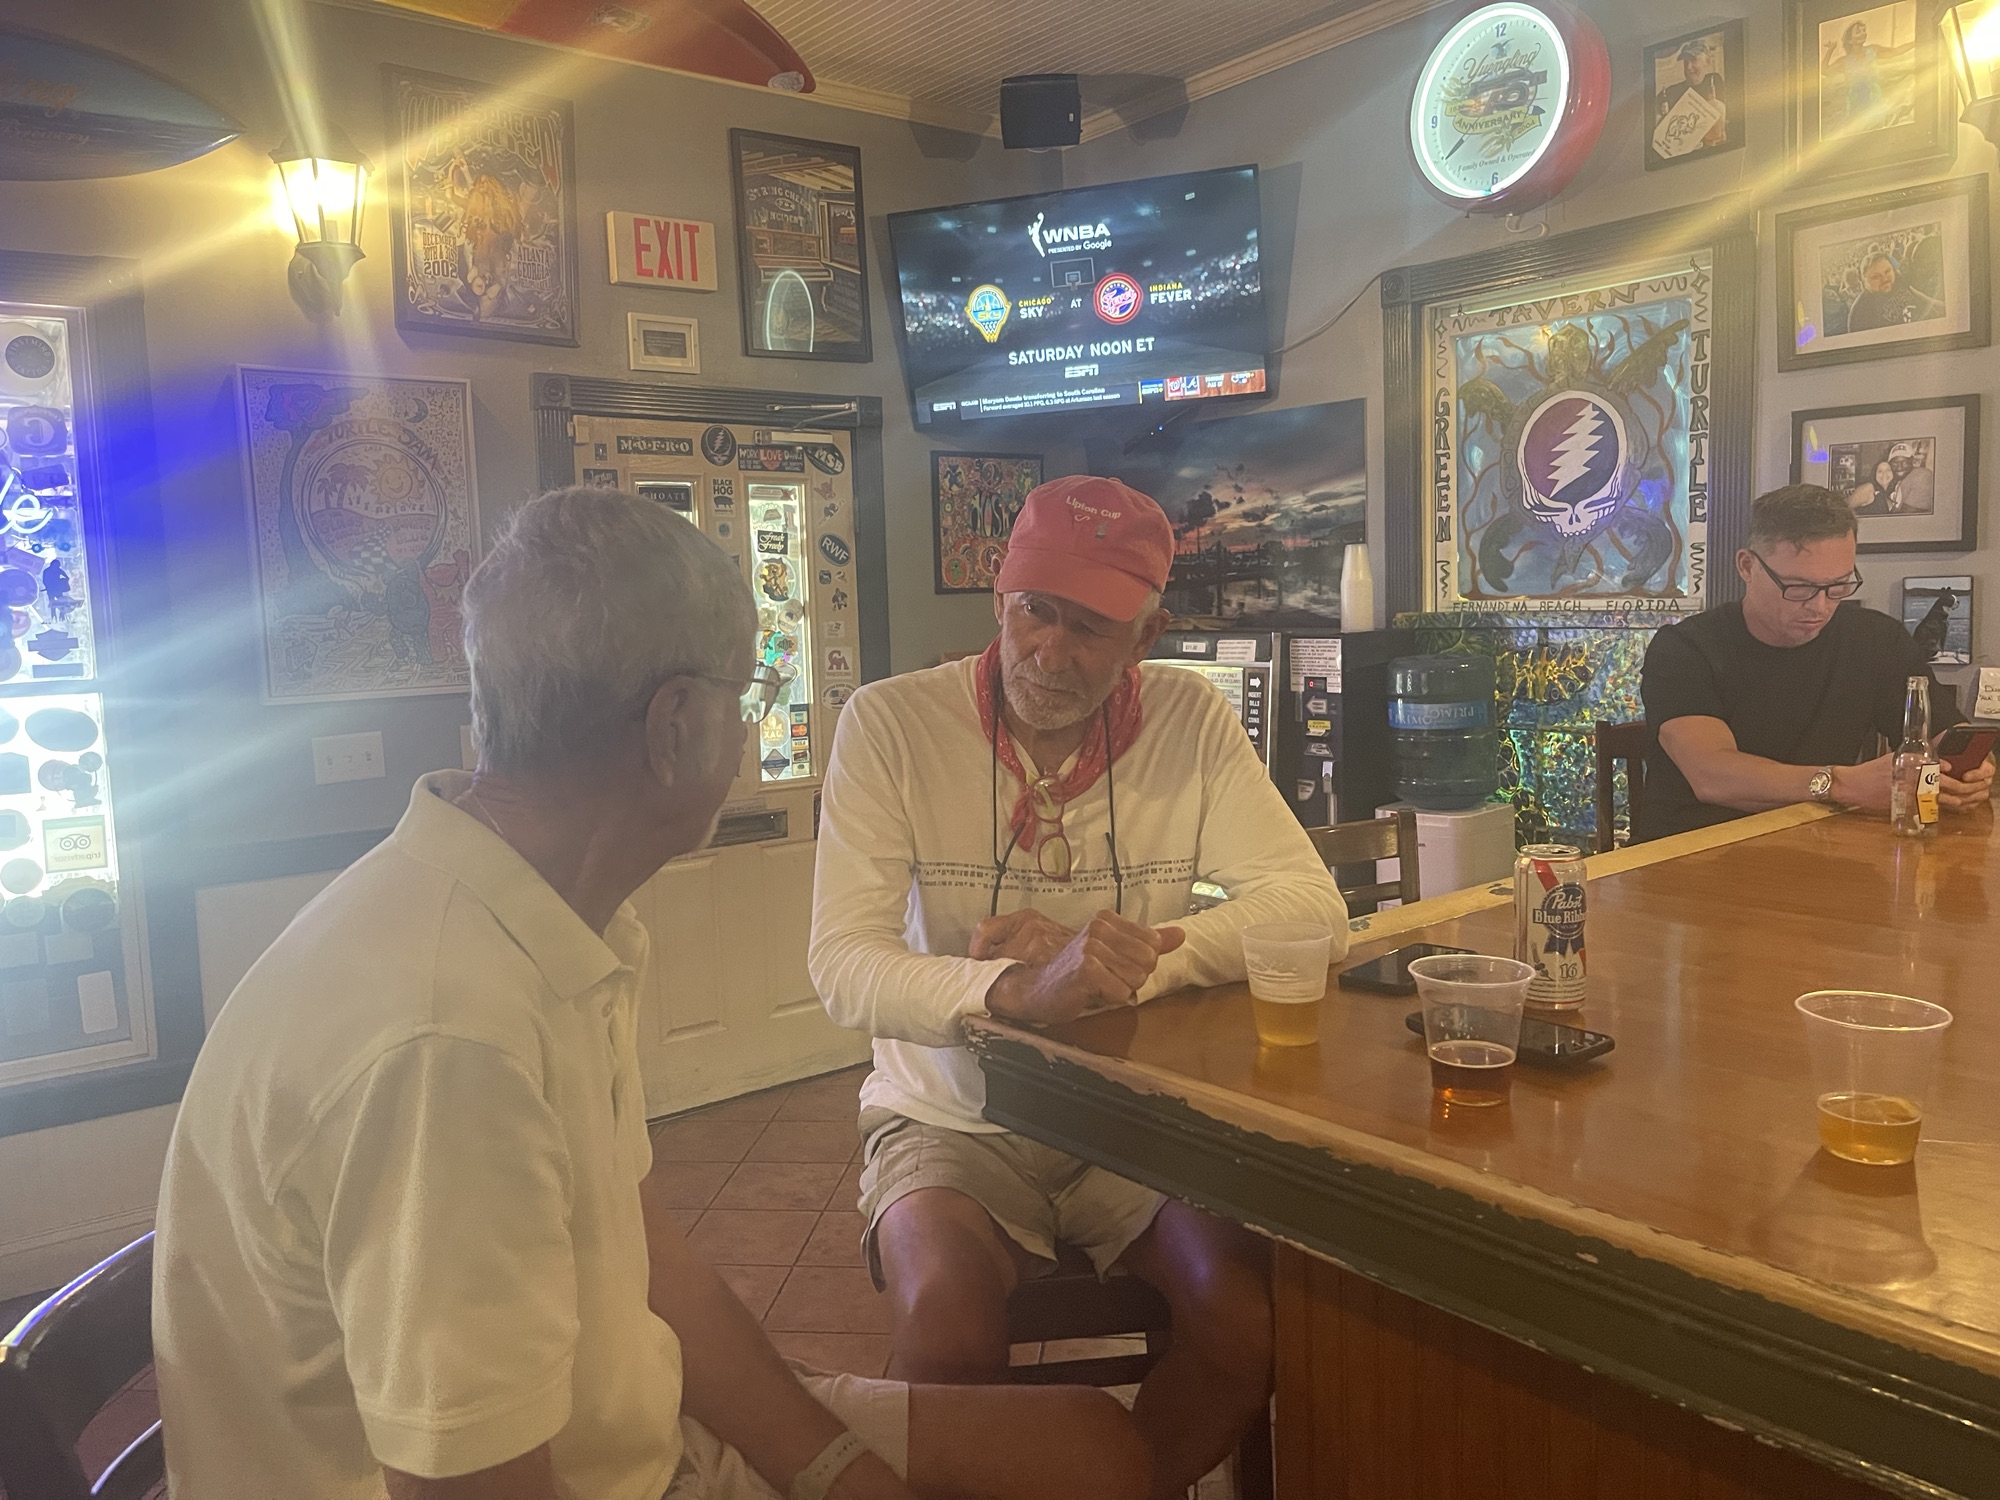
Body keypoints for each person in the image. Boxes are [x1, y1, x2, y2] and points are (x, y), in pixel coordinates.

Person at [153, 488, 1148, 1500]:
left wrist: (840, 1473)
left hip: (637, 1433)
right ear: (675, 725)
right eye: (748, 696)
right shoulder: (450, 1039)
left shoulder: (544, 925)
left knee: (1094, 1450)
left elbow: (652, 1272)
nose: (748, 732)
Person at [808, 475, 1346, 1499]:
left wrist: (1120, 962)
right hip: (949, 1117)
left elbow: (1312, 912)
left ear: (1146, 635)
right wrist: (1014, 988)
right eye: (1033, 612)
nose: (1049, 652)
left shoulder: (1189, 718)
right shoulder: (888, 723)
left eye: (1090, 628)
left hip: (1131, 1120)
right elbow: (841, 967)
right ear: (997, 598)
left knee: (1247, 1325)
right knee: (944, 1326)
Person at [1638, 484, 1994, 840]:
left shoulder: (1877, 640)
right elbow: (1712, 776)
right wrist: (1841, 784)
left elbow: (1946, 736)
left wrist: (1970, 773)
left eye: (1838, 586)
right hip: (1692, 849)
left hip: (1819, 841)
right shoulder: (1685, 648)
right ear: (1747, 566)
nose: (1819, 606)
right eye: (1798, 587)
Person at [1655, 37, 1727, 149]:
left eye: (1693, 60)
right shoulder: (1670, 92)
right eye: (1685, 62)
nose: (1688, 67)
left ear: (1707, 61)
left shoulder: (1714, 82)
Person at [1888, 442, 1935, 514]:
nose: (1899, 467)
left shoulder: (1922, 475)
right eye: (1895, 462)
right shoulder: (1895, 480)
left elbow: (1908, 515)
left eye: (1904, 462)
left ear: (1912, 461)